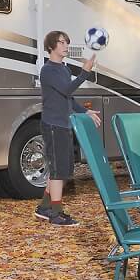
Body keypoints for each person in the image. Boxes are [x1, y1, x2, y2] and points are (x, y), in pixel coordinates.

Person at [35, 30, 101, 227]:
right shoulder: (48, 70)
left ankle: (44, 208)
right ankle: (56, 213)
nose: (65, 46)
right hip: (53, 126)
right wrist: (84, 73)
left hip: (63, 125)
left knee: (62, 169)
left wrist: (85, 112)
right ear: (51, 47)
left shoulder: (63, 69)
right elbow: (67, 89)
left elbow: (68, 98)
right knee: (58, 172)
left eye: (66, 42)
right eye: (61, 43)